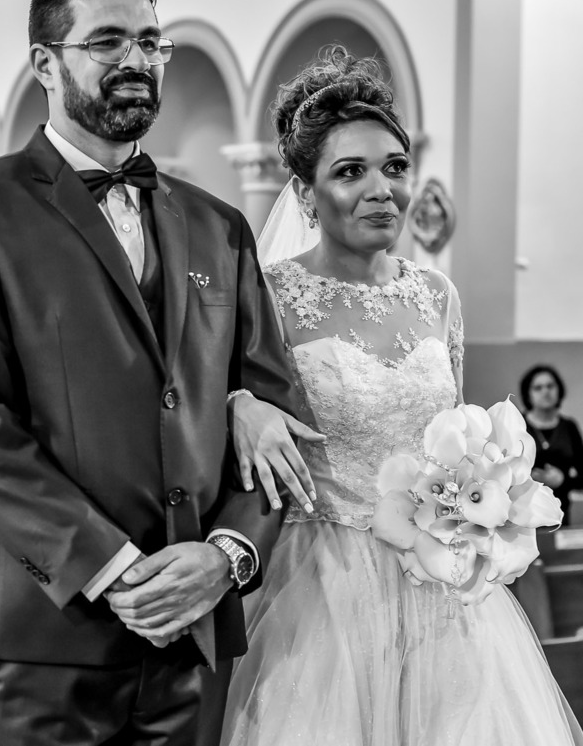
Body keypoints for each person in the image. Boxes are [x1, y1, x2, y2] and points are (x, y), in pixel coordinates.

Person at [0, 0, 315, 745]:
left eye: (151, 43)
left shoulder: (218, 224)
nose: (137, 61)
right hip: (39, 634)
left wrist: (227, 555)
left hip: (192, 635)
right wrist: (113, 566)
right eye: (108, 42)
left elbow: (276, 421)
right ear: (44, 63)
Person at [221, 48, 583, 745]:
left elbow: (449, 435)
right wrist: (239, 403)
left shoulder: (437, 295)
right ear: (303, 193)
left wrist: (484, 494)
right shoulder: (271, 298)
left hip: (441, 580)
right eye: (350, 171)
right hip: (320, 579)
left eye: (394, 166)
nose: (381, 188)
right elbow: (234, 419)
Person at [521, 365, 583, 525]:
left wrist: (563, 480)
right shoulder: (518, 424)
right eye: (538, 387)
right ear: (528, 395)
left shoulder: (569, 427)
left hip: (560, 513)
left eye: (550, 386)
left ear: (559, 390)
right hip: (522, 512)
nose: (545, 391)